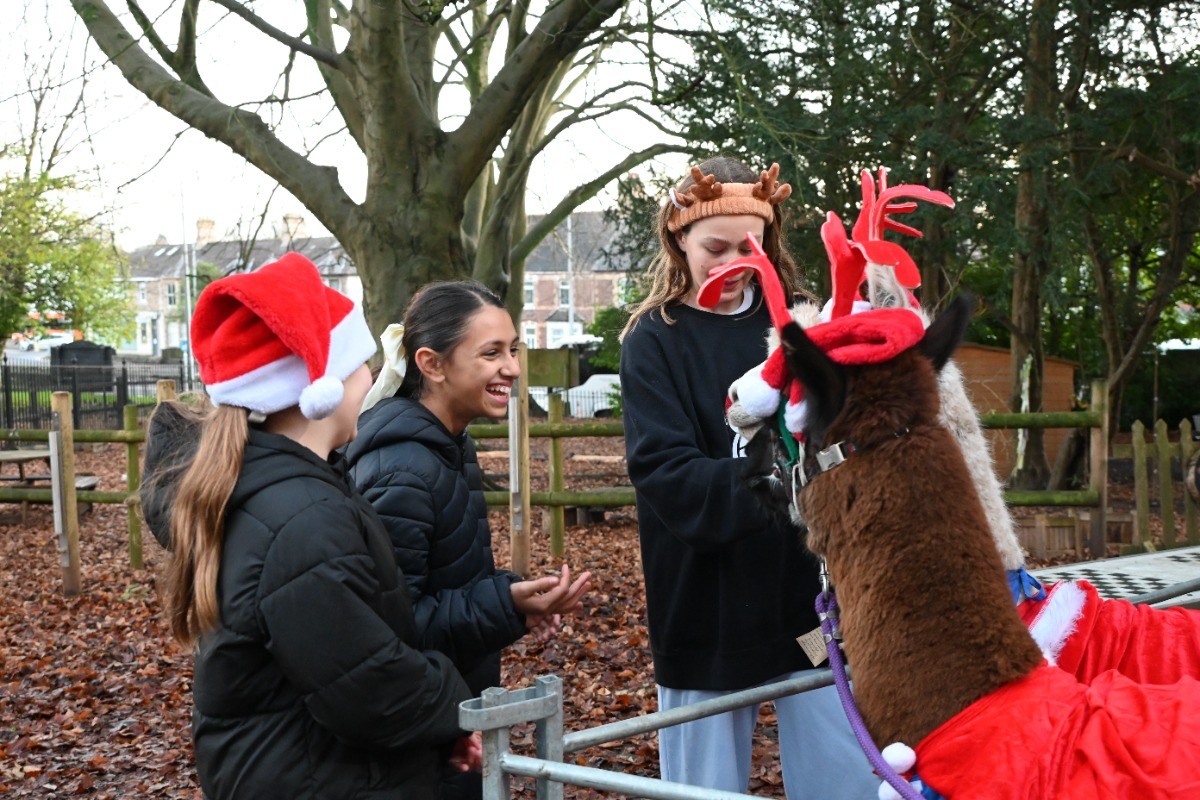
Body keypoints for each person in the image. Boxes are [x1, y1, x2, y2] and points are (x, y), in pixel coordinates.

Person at [142, 253, 481, 799]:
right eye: (361, 362)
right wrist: (451, 709)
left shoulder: (279, 491)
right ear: (321, 387)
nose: (371, 377)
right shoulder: (301, 518)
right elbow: (365, 684)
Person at [619, 157, 878, 798]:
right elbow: (665, 471)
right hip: (704, 601)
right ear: (679, 237)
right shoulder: (653, 340)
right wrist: (786, 480)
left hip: (808, 597)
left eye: (750, 247)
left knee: (843, 770)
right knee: (703, 785)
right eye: (716, 248)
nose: (733, 263)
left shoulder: (800, 325)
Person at [344, 281, 591, 800]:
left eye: (514, 350)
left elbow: (447, 576)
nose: (513, 368)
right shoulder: (403, 470)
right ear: (432, 364)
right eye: (491, 353)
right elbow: (393, 627)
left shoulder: (450, 445)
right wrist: (504, 606)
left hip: (450, 717)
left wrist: (514, 597)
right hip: (418, 739)